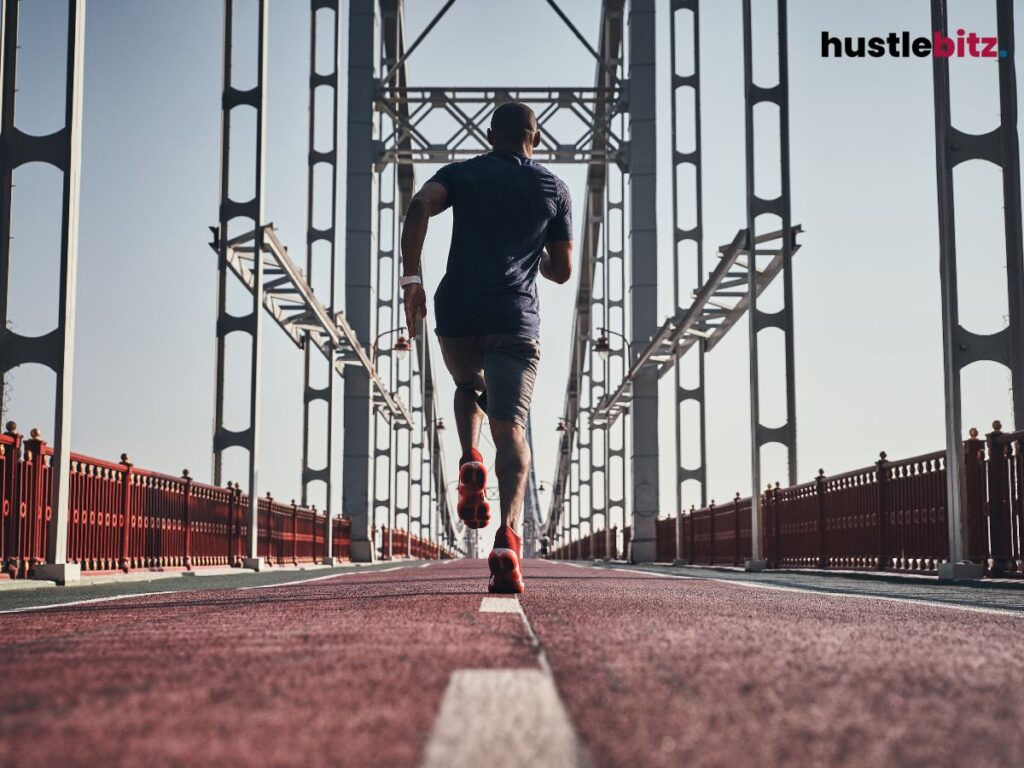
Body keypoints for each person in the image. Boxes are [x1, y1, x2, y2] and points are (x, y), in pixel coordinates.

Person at [399, 102, 573, 593]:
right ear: (534, 138)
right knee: (512, 428)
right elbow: (561, 271)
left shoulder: (461, 173)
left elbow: (418, 207)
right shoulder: (553, 189)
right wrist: (534, 252)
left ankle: (469, 455)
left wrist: (412, 278)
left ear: (491, 133)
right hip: (514, 320)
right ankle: (508, 537)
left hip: (456, 314)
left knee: (466, 384)